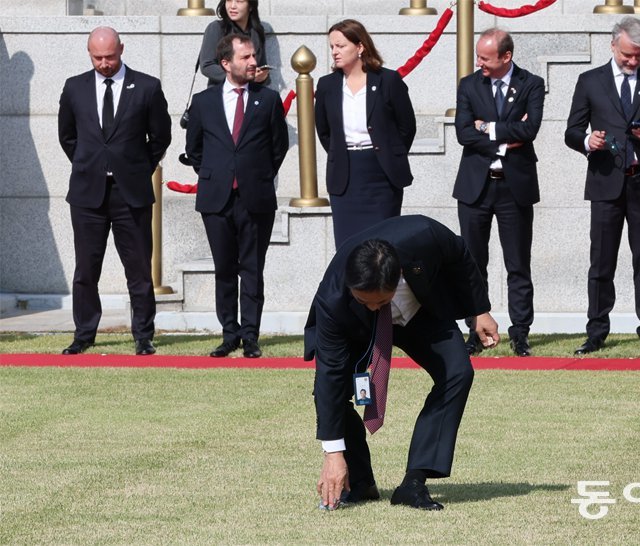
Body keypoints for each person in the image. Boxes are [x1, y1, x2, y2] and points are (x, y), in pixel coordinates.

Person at [305, 215, 500, 511]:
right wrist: (333, 454)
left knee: (458, 373)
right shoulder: (334, 299)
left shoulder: (425, 234)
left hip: (421, 312)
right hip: (355, 327)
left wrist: (479, 311)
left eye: (379, 302)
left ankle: (414, 482)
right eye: (365, 300)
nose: (373, 306)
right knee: (330, 393)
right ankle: (359, 482)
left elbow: (460, 256)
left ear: (397, 277)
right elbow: (329, 375)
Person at [565, 17, 640, 356]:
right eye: (628, 55)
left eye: (639, 56)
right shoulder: (590, 81)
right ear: (613, 45)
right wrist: (589, 140)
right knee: (601, 262)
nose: (633, 62)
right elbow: (572, 131)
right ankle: (597, 330)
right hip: (605, 182)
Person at [57, 26, 171, 356]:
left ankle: (143, 335)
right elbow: (67, 136)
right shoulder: (75, 87)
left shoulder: (147, 87)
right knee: (86, 269)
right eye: (98, 58)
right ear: (89, 53)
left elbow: (160, 137)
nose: (105, 63)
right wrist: (87, 163)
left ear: (122, 49)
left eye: (110, 56)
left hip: (130, 194)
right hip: (87, 194)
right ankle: (84, 334)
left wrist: (136, 169)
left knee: (138, 269)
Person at [185, 34, 289, 358]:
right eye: (245, 57)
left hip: (255, 198)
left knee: (253, 269)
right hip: (217, 199)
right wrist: (218, 176)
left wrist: (255, 175)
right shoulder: (204, 103)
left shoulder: (268, 100)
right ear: (226, 63)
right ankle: (229, 334)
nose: (253, 62)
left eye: (254, 55)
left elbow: (278, 147)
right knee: (224, 269)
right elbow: (194, 149)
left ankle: (251, 336)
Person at [453, 28, 544, 357]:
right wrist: (505, 131)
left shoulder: (531, 84)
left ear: (506, 56)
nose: (479, 63)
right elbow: (463, 133)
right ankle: (475, 331)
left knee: (518, 263)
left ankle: (521, 333)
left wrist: (485, 126)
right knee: (472, 264)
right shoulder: (469, 85)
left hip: (514, 187)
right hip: (475, 187)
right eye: (478, 56)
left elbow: (530, 128)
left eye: (486, 58)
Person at [314, 19, 416, 248]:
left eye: (340, 46)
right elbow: (324, 131)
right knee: (348, 247)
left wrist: (391, 154)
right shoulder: (327, 85)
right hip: (345, 174)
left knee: (382, 246)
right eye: (332, 47)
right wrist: (340, 152)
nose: (335, 52)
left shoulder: (387, 80)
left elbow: (406, 126)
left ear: (360, 47)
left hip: (381, 174)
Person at [198, 0, 271, 87]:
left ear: (250, 6)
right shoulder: (217, 28)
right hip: (222, 94)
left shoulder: (257, 31)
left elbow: (261, 66)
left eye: (239, 1)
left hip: (250, 95)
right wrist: (242, 77)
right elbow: (207, 66)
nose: (232, 6)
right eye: (228, 1)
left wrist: (262, 77)